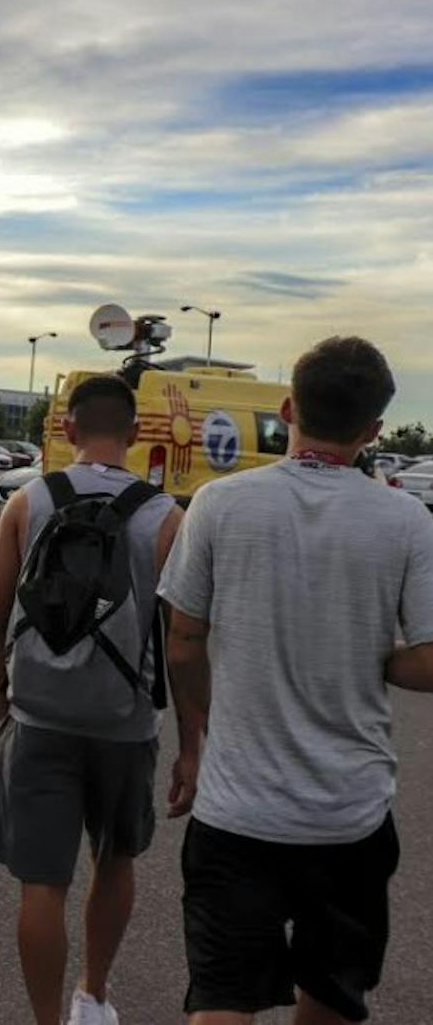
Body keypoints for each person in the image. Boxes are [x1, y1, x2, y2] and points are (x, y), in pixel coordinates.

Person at [159, 337, 433, 1024]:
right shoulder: (406, 519)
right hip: (349, 816)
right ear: (373, 431)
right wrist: (370, 654)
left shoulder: (218, 504)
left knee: (223, 997)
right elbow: (430, 660)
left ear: (288, 410)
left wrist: (197, 736)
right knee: (332, 998)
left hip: (236, 812)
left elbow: (184, 643)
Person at [0, 374, 183, 1025]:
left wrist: (4, 700)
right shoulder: (165, 517)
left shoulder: (28, 502)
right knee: (115, 858)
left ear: (68, 429)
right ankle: (92, 996)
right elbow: (182, 641)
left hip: (39, 714)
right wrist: (192, 743)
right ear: (135, 433)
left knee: (42, 882)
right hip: (125, 722)